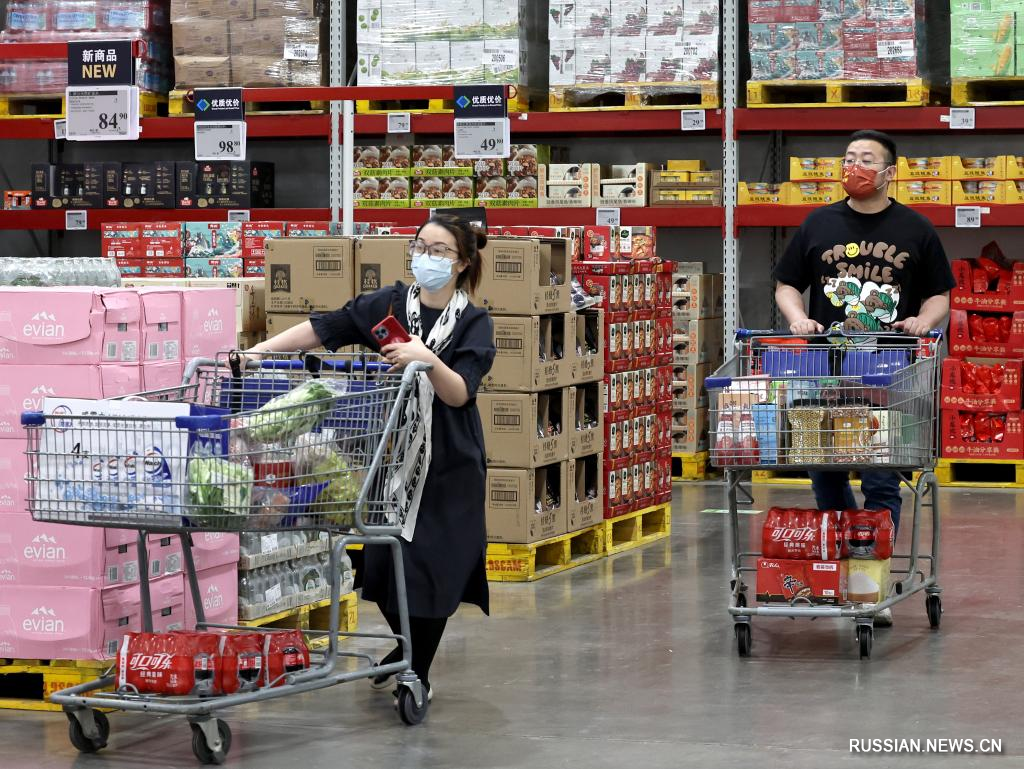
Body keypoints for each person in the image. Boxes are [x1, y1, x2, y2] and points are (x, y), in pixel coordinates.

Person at [244, 214, 496, 701]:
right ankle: (405, 649)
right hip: (391, 453)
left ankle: (416, 670)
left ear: (462, 262)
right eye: (421, 245)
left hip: (449, 461)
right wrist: (260, 351)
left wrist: (427, 358)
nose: (426, 257)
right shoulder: (390, 303)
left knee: (435, 568)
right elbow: (326, 327)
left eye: (440, 251)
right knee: (382, 566)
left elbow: (460, 393)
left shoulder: (473, 322)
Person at [774, 130, 955, 623]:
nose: (854, 165)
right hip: (826, 372)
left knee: (880, 478)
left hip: (889, 373)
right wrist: (796, 317)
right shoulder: (818, 222)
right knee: (825, 472)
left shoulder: (916, 228)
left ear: (889, 172)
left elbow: (941, 292)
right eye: (849, 157)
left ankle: (868, 584)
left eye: (866, 159)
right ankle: (843, 568)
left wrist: (925, 320)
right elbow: (788, 284)